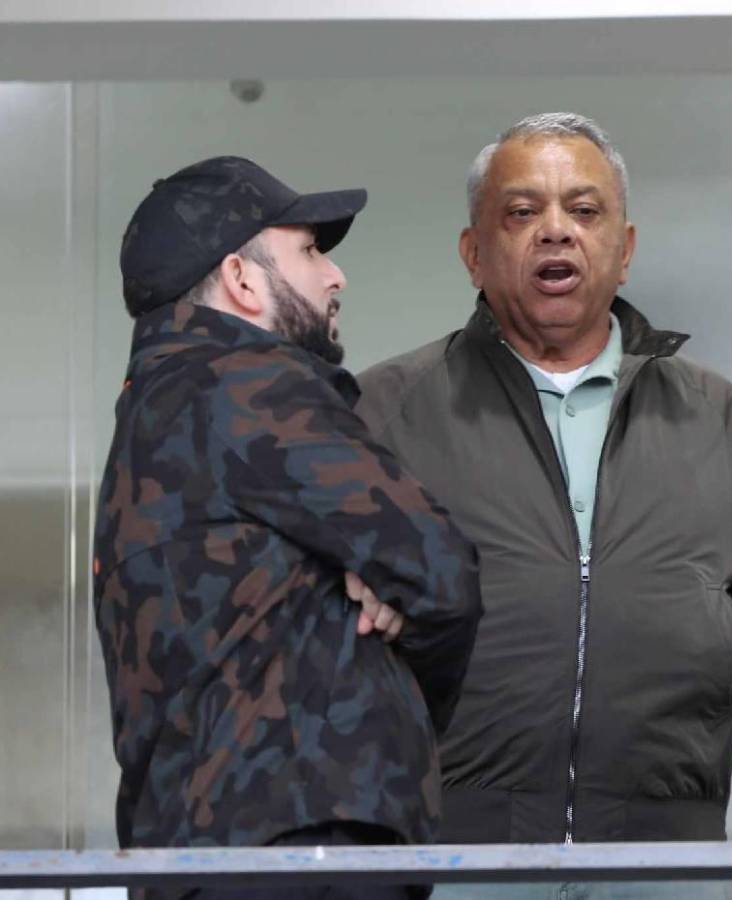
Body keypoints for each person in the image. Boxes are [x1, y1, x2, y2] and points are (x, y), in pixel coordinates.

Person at [356, 112, 732, 896]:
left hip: (673, 862)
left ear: (624, 250)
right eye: (522, 212)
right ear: (473, 253)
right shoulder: (386, 409)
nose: (556, 232)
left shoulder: (716, 413)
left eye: (585, 210)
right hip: (453, 860)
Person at [94, 156, 482, 900]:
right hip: (305, 848)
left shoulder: (151, 416)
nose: (335, 276)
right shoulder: (247, 386)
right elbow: (440, 570)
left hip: (191, 855)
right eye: (309, 251)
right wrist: (396, 648)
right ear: (241, 279)